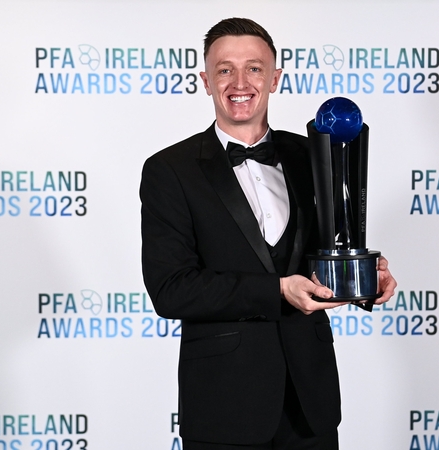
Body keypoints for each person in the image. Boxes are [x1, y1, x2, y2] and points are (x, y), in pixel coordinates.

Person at [140, 17, 397, 449]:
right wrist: (277, 290)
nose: (240, 83)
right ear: (206, 81)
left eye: (254, 68)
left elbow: (329, 251)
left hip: (310, 406)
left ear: (275, 78)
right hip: (224, 407)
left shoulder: (310, 155)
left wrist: (364, 280)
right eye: (225, 69)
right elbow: (172, 290)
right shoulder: (170, 170)